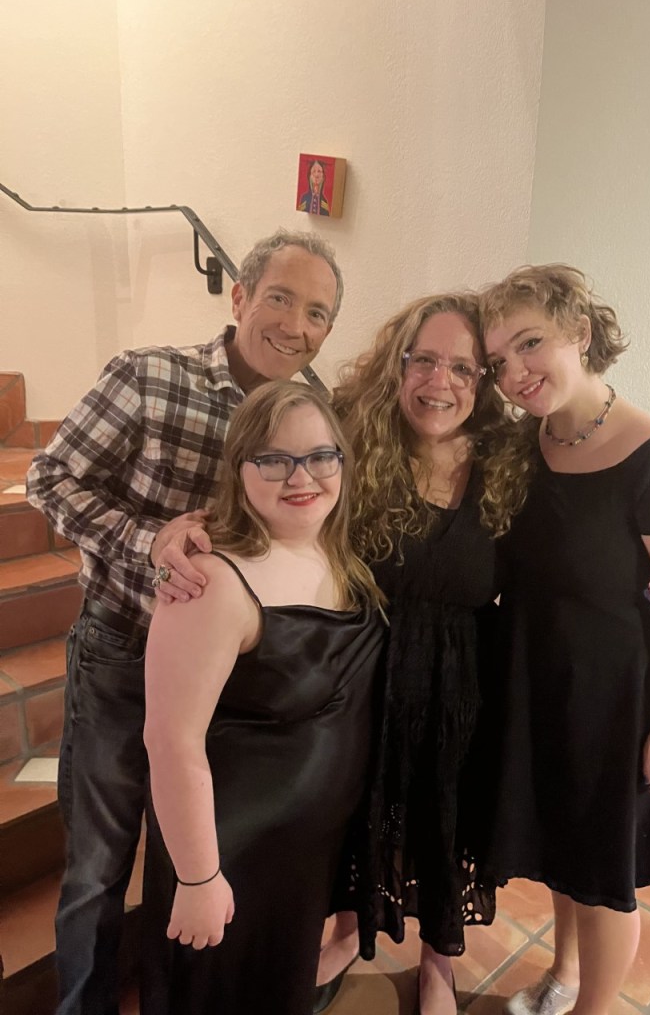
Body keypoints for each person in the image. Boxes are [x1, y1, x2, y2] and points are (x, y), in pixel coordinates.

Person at [25, 228, 343, 1015]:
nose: (295, 325)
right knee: (101, 862)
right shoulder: (148, 376)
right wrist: (149, 540)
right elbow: (48, 476)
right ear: (238, 296)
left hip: (241, 680)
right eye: (278, 297)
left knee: (196, 851)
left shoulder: (314, 412)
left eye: (318, 312)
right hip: (124, 651)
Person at [480, 265, 650, 1015]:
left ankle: (593, 1010)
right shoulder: (522, 445)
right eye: (499, 361)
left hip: (616, 693)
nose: (515, 373)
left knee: (603, 871)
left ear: (579, 332)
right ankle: (565, 975)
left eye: (531, 344)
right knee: (561, 848)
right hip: (536, 677)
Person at [316, 293, 532, 1015]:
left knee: (449, 817)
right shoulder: (351, 441)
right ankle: (352, 927)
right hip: (364, 669)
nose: (441, 382)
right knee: (358, 808)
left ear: (485, 381)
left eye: (464, 368)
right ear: (398, 365)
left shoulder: (510, 461)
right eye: (426, 361)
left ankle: (439, 964)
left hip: (464, 677)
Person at [140, 380, 384, 1015]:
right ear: (239, 468)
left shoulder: (340, 552)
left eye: (320, 456)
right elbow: (170, 740)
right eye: (273, 459)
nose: (300, 476)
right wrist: (197, 876)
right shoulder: (211, 581)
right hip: (230, 850)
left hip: (306, 847)